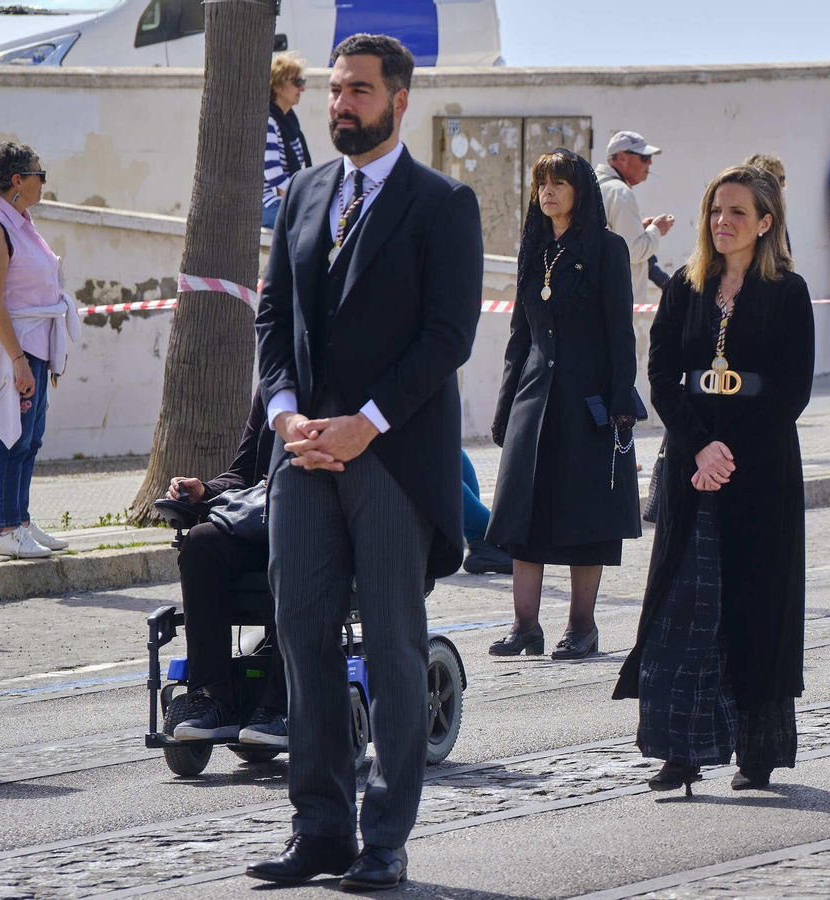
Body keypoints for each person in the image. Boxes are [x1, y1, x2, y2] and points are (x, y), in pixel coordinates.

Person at [246, 34, 483, 890]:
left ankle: (384, 837)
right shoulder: (304, 192)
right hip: (302, 457)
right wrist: (284, 414)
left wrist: (367, 423)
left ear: (399, 100)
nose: (341, 103)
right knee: (302, 641)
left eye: (358, 91)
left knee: (391, 650)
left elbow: (447, 338)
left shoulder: (442, 203)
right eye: (336, 89)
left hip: (392, 461)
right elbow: (272, 320)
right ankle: (320, 830)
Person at [614, 165, 813, 794]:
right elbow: (663, 377)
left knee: (756, 605)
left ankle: (757, 751)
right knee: (687, 605)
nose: (721, 222)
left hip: (761, 473)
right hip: (691, 468)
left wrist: (731, 456)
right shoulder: (684, 287)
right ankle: (683, 747)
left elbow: (792, 391)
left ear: (765, 222)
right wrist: (700, 450)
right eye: (714, 211)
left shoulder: (789, 292)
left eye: (735, 212)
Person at [487, 149, 640, 661]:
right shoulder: (533, 251)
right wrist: (506, 406)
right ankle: (524, 626)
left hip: (587, 401)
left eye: (559, 182)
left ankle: (582, 627)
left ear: (580, 191)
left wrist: (622, 403)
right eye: (541, 183)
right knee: (523, 514)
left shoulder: (608, 250)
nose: (548, 191)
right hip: (534, 399)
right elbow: (519, 337)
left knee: (583, 518)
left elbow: (622, 334)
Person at [164, 391, 288, 747]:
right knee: (202, 543)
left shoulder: (342, 377)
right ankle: (214, 698)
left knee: (296, 543)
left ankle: (280, 706)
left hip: (315, 524)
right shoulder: (273, 386)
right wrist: (204, 490)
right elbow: (243, 473)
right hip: (265, 521)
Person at [0, 141, 76, 560]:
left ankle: (20, 519)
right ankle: (5, 528)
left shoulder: (22, 221)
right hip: (17, 348)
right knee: (13, 438)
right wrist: (19, 360)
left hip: (36, 345)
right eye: (40, 175)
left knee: (32, 437)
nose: (45, 183)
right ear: (17, 180)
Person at [597, 131, 674, 307]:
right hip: (619, 302)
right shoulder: (620, 192)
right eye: (644, 158)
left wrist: (641, 229)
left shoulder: (599, 187)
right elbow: (633, 251)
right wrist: (656, 230)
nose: (650, 163)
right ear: (622, 157)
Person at [263, 53, 313, 230]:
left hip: (285, 200)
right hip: (269, 204)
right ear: (277, 85)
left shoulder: (291, 124)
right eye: (297, 83)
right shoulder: (268, 122)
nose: (302, 89)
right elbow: (274, 177)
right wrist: (305, 199)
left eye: (302, 82)